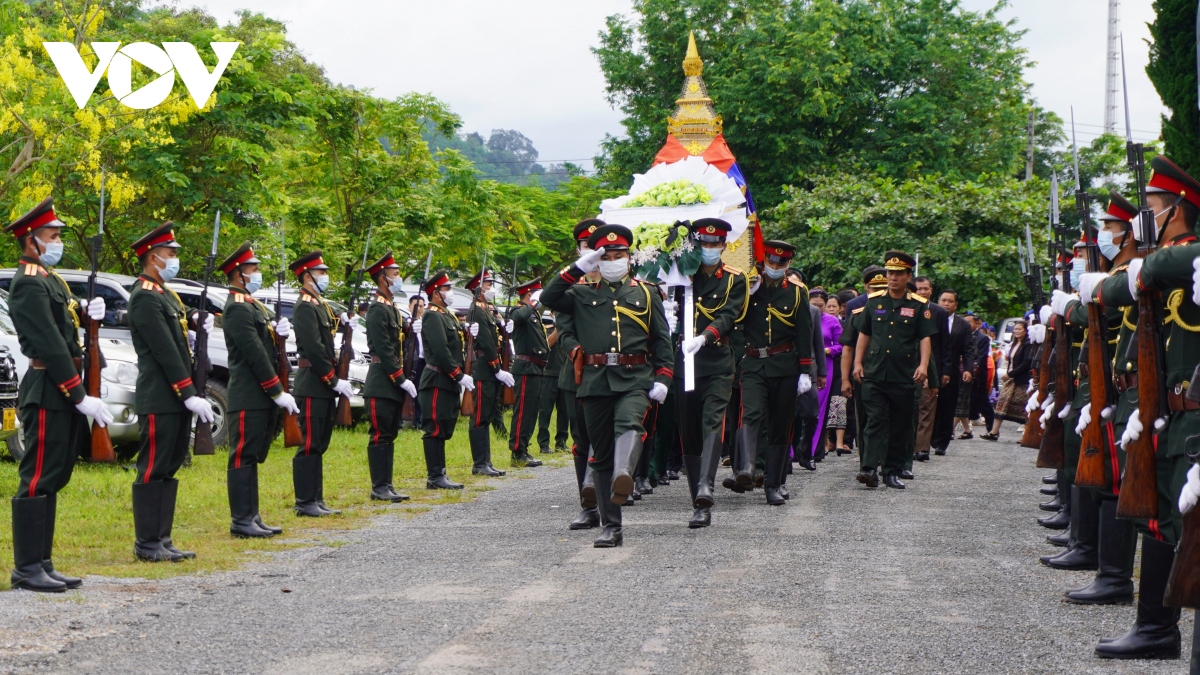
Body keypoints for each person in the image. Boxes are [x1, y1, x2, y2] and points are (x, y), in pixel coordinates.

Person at [1099, 156, 1200, 660]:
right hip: (1169, 411)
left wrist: (1143, 265)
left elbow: (1151, 269)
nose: (1145, 221)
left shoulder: (1185, 258)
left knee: (1186, 526)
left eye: (1153, 209)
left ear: (1177, 210)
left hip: (1189, 415)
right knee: (1162, 517)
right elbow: (1118, 288)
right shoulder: (1169, 262)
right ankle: (1156, 628)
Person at [540, 223, 673, 547]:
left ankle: (623, 473)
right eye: (607, 256)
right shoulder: (580, 293)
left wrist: (663, 377)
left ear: (629, 257)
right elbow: (548, 297)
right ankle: (611, 526)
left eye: (620, 254)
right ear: (598, 260)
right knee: (599, 454)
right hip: (596, 380)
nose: (614, 260)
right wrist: (576, 269)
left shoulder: (645, 292)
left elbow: (661, 338)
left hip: (634, 378)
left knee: (629, 422)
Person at [6, 197, 113, 592]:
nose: (58, 242)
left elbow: (63, 330)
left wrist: (86, 314)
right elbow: (49, 344)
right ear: (31, 241)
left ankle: (43, 562)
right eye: (52, 236)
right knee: (36, 477)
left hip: (60, 388)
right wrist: (78, 393)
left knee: (55, 474)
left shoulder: (50, 280)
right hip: (48, 389)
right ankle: (26, 569)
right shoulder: (28, 283)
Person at [126, 222, 215, 561]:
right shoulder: (145, 297)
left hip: (175, 396)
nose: (175, 257)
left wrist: (194, 318)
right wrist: (187, 391)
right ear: (152, 257)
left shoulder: (164, 294)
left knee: (172, 462)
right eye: (171, 253)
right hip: (161, 395)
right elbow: (164, 350)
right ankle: (146, 543)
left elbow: (178, 340)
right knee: (153, 466)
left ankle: (161, 539)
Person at [673, 219, 749, 528]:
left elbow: (732, 314)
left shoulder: (735, 279)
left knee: (712, 421)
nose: (710, 249)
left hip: (716, 359)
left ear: (724, 245)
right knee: (689, 431)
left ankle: (706, 487)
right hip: (683, 364)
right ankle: (697, 499)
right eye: (704, 243)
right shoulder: (679, 274)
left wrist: (706, 336)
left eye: (715, 244)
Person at [220, 242, 299, 538]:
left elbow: (267, 349)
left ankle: (252, 515)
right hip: (248, 393)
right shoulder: (238, 308)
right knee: (242, 456)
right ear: (239, 274)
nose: (258, 273)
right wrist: (277, 390)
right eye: (253, 269)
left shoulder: (252, 305)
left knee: (252, 456)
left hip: (260, 395)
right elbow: (254, 354)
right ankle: (241, 520)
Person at [850, 250, 935, 489]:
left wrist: (924, 366)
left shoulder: (919, 305)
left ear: (909, 276)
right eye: (890, 273)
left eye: (899, 274)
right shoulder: (874, 301)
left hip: (903, 374)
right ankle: (868, 468)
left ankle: (892, 471)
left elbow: (925, 338)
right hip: (875, 372)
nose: (893, 278)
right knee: (874, 419)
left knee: (900, 424)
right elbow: (864, 334)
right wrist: (858, 363)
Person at [737, 241, 813, 505]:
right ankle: (746, 468)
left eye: (781, 263)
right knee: (753, 413)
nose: (775, 266)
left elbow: (804, 331)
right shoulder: (748, 286)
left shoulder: (796, 292)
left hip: (785, 364)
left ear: (788, 264)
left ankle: (774, 482)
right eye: (771, 261)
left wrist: (806, 370)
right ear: (763, 259)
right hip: (754, 363)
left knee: (781, 424)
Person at [289, 251, 354, 516]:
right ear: (307, 276)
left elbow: (326, 341)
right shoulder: (305, 305)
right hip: (313, 382)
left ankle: (316, 499)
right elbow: (314, 349)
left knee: (320, 442)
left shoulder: (319, 304)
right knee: (310, 442)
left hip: (322, 384)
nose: (325, 277)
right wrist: (332, 379)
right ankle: (305, 502)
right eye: (321, 273)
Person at [361, 251, 420, 503]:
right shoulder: (376, 309)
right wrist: (400, 378)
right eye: (395, 274)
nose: (399, 278)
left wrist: (409, 329)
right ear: (383, 278)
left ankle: (387, 483)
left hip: (392, 383)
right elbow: (384, 349)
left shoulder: (392, 309)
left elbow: (398, 343)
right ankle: (378, 487)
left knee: (391, 434)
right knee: (380, 434)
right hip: (381, 381)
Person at [465, 269, 528, 471]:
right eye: (488, 284)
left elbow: (497, 339)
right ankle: (480, 463)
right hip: (484, 369)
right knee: (480, 416)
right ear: (478, 287)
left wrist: (503, 325)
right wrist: (497, 368)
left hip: (490, 370)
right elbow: (485, 342)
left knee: (489, 413)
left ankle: (486, 462)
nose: (491, 287)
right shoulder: (476, 309)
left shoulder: (487, 309)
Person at [418, 271, 473, 490]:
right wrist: (457, 374)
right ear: (436, 293)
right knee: (435, 428)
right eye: (446, 289)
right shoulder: (432, 315)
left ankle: (440, 473)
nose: (450, 293)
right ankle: (435, 476)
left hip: (447, 379)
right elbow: (440, 349)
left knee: (445, 426)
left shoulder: (446, 314)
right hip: (436, 379)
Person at [838, 266, 889, 463]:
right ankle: (867, 462)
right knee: (866, 418)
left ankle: (888, 463)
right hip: (865, 373)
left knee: (889, 419)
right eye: (874, 289)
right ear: (867, 289)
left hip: (893, 372)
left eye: (882, 288)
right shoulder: (858, 313)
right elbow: (847, 348)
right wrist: (845, 379)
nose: (878, 293)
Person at [506, 280, 549, 462]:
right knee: (523, 411)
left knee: (531, 411)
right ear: (529, 294)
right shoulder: (517, 311)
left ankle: (524, 447)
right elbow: (518, 318)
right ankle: (517, 451)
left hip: (536, 368)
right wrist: (532, 302)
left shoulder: (534, 315)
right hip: (525, 368)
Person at [929, 289, 976, 455]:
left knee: (947, 407)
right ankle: (926, 440)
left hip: (952, 371)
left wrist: (969, 369)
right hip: (931, 368)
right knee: (928, 406)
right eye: (943, 300)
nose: (946, 304)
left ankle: (942, 442)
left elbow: (969, 349)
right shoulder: (930, 319)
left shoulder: (962, 325)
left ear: (956, 305)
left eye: (950, 301)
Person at [912, 276, 950, 462]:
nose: (922, 292)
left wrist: (943, 372)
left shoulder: (938, 312)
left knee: (927, 408)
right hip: (907, 364)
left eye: (925, 288)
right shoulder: (906, 308)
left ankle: (922, 448)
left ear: (931, 290)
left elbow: (943, 344)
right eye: (918, 289)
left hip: (930, 365)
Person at [981, 320, 1030, 441]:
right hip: (1010, 379)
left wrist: (1010, 374)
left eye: (1020, 329)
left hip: (1021, 380)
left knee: (1024, 407)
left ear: (1025, 330)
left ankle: (1027, 435)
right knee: (1001, 403)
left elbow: (1026, 363)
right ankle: (994, 432)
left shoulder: (1028, 344)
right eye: (1016, 329)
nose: (1017, 331)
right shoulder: (1014, 343)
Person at [812, 293, 841, 459]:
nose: (817, 308)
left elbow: (841, 344)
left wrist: (827, 351)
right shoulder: (803, 317)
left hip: (825, 365)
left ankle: (814, 449)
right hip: (804, 362)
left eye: (820, 305)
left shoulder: (832, 321)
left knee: (819, 407)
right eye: (814, 304)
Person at [535, 312, 569, 454]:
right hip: (548, 375)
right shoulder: (546, 328)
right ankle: (543, 444)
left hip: (565, 375)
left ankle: (561, 442)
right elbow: (546, 344)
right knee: (545, 411)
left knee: (564, 412)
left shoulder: (569, 330)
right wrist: (558, 329)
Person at [406, 294, 426, 428]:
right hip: (411, 361)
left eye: (421, 306)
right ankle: (403, 420)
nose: (419, 308)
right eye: (416, 305)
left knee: (421, 391)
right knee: (408, 391)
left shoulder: (426, 323)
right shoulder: (406, 322)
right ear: (409, 306)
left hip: (424, 361)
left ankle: (419, 421)